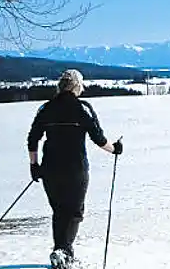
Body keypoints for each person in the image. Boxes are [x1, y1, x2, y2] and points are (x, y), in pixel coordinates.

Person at [27, 69, 123, 267]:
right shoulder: (83, 108)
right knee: (74, 211)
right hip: (75, 168)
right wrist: (115, 149)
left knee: (59, 211)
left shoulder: (46, 108)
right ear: (77, 86)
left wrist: (34, 165)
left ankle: (61, 253)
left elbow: (32, 139)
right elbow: (98, 138)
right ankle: (63, 253)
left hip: (50, 169)